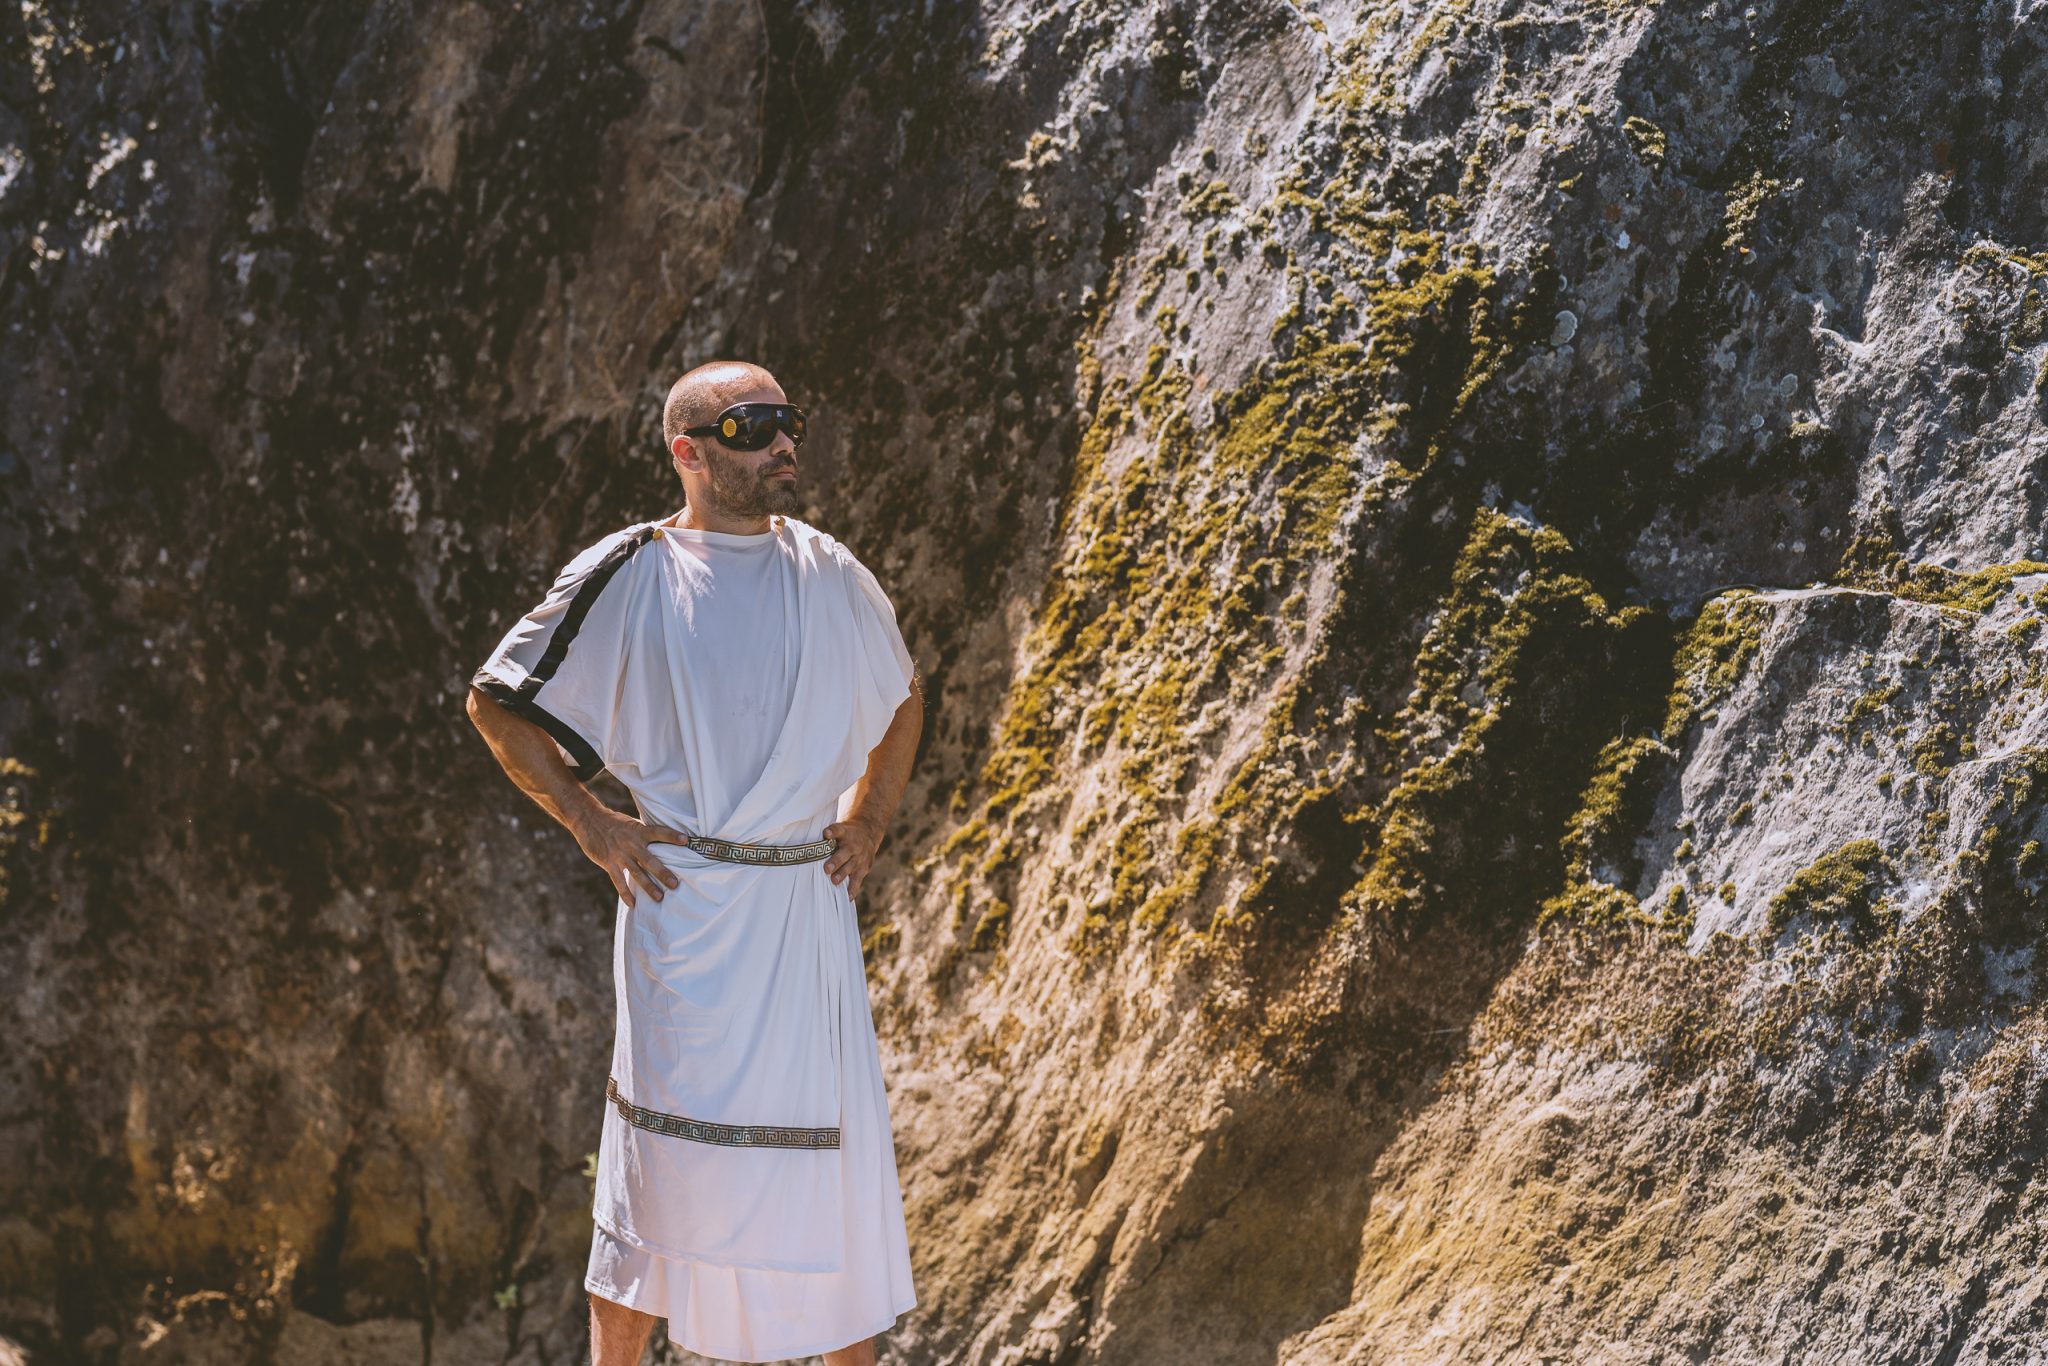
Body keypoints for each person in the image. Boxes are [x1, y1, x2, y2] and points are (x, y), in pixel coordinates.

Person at [465, 360, 923, 1364]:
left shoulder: (831, 571)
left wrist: (870, 818)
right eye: (750, 425)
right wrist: (592, 823)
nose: (781, 443)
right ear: (686, 449)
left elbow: (901, 699)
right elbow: (496, 702)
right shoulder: (632, 570)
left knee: (833, 1191)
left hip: (803, 912)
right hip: (684, 916)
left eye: (784, 422)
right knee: (654, 1187)